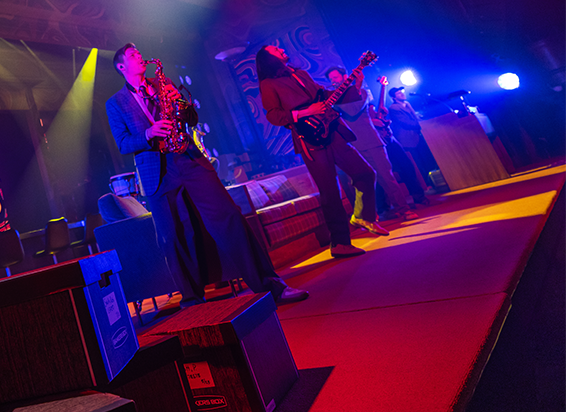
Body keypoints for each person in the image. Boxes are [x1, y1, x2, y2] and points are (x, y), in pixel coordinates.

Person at [106, 43, 308, 307]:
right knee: (172, 237)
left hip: (189, 159)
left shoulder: (162, 84)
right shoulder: (115, 103)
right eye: (133, 55)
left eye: (139, 53)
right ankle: (193, 302)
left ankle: (270, 286)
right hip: (157, 172)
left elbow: (191, 119)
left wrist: (181, 102)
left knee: (230, 217)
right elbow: (123, 143)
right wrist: (149, 133)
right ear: (122, 66)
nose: (140, 57)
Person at [256, 45, 376, 259]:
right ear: (268, 58)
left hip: (333, 130)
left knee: (365, 173)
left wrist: (355, 85)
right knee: (330, 190)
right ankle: (340, 243)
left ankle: (361, 215)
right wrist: (305, 112)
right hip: (308, 138)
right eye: (275, 49)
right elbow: (273, 115)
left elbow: (327, 95)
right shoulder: (269, 83)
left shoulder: (301, 74)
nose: (281, 48)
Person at [325, 67, 416, 225]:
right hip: (352, 146)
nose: (333, 81)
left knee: (386, 178)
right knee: (359, 184)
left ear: (345, 77)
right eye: (331, 79)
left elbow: (353, 111)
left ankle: (404, 209)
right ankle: (369, 217)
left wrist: (336, 101)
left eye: (335, 77)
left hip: (371, 143)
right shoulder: (334, 99)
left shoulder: (361, 92)